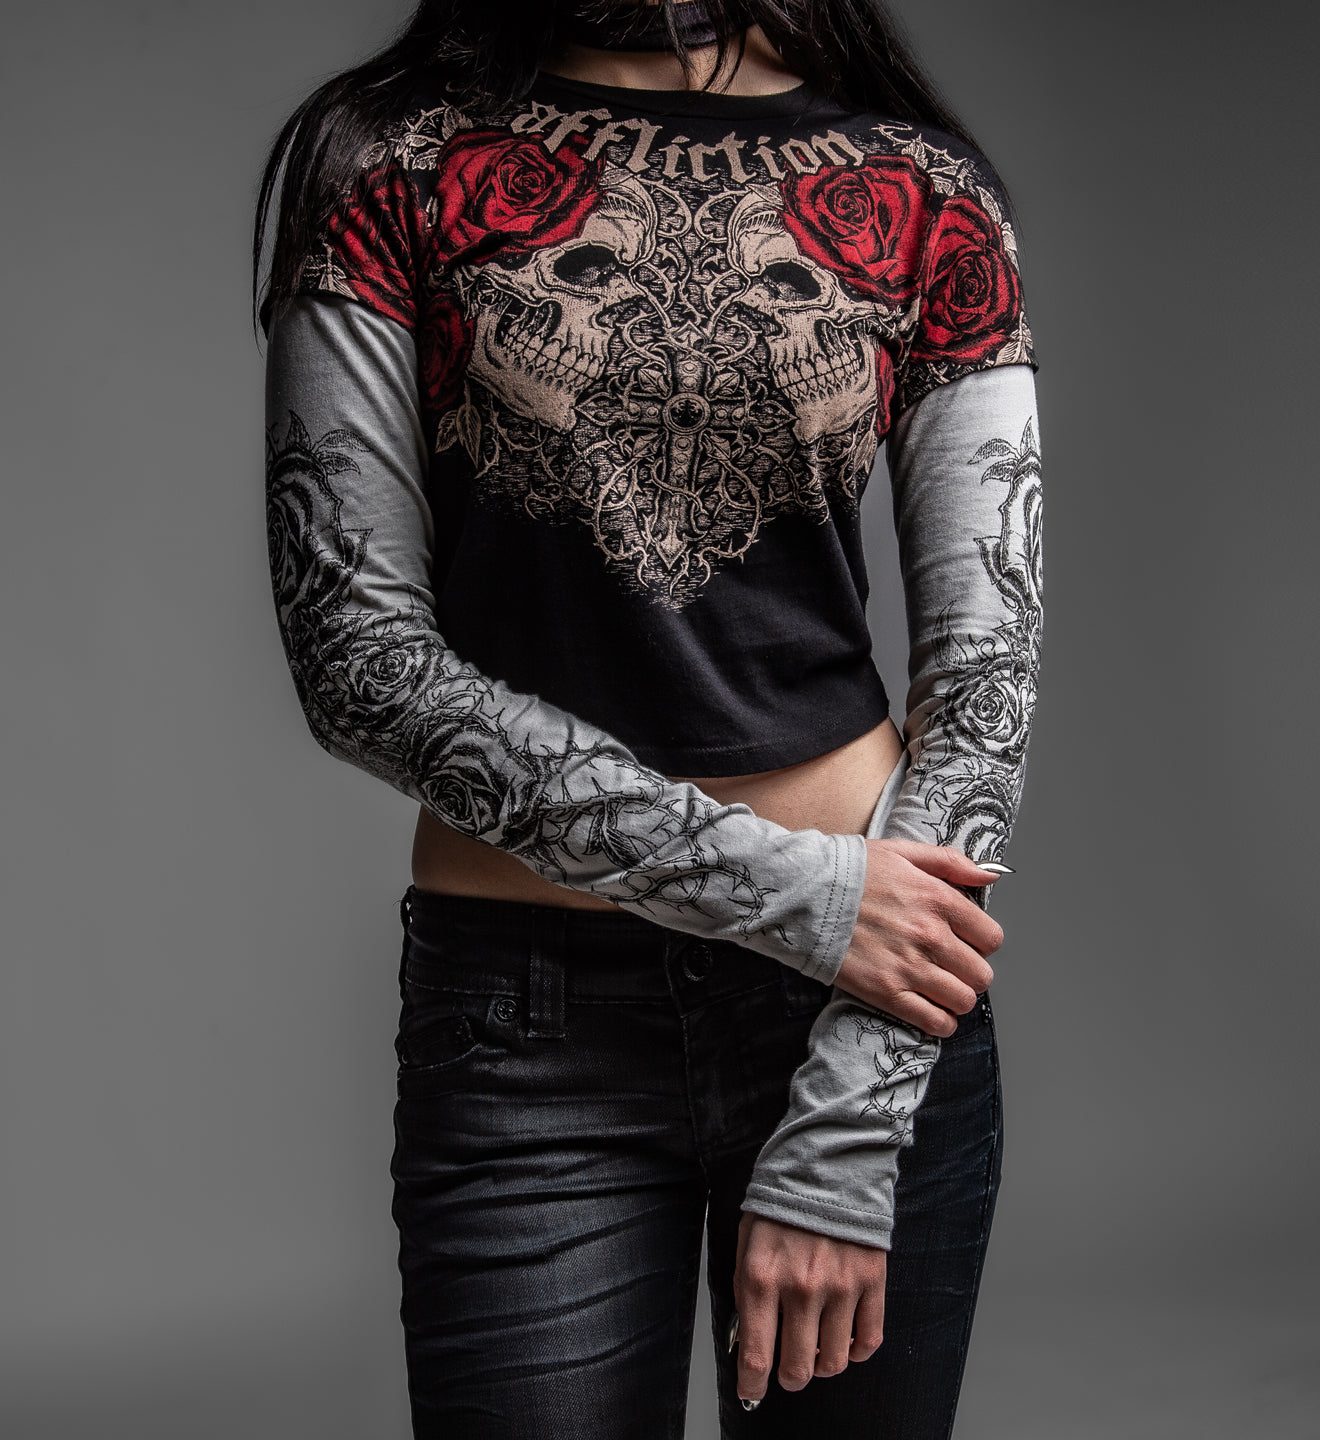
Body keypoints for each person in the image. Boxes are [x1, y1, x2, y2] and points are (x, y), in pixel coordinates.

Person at [253, 1, 1042, 1435]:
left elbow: (985, 671)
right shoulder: (390, 166)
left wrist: (854, 1106)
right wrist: (804, 899)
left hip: (860, 1012)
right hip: (532, 1034)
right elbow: (353, 657)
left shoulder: (921, 187)